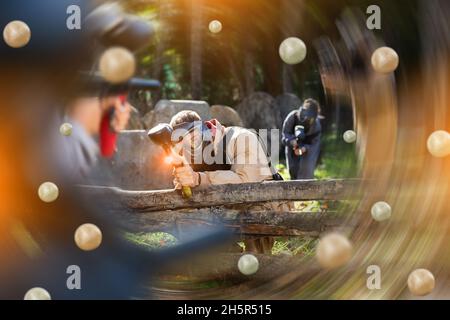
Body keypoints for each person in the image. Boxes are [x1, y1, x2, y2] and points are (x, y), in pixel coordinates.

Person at [168, 110, 288, 254]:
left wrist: (199, 178)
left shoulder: (242, 138)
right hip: (228, 206)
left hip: (264, 201)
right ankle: (226, 259)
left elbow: (246, 183)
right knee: (187, 214)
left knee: (254, 213)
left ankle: (259, 262)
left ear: (203, 128)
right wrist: (183, 180)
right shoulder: (195, 152)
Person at [282, 99, 322, 180]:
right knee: (293, 171)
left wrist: (304, 149)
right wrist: (292, 142)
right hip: (292, 146)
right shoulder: (292, 117)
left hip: (308, 149)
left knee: (307, 173)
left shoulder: (316, 126)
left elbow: (314, 144)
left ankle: (308, 190)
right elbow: (285, 134)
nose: (305, 119)